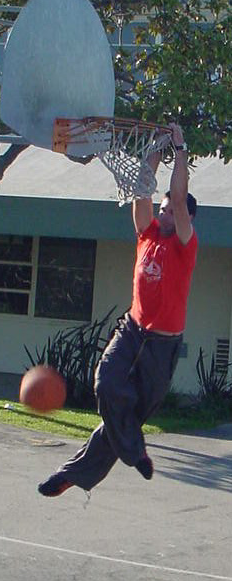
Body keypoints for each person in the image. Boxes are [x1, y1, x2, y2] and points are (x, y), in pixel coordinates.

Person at [38, 123, 198, 497]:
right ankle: (134, 451)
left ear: (186, 218)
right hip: (132, 330)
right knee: (106, 383)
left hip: (162, 346)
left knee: (126, 419)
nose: (164, 214)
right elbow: (144, 193)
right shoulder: (147, 234)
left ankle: (73, 475)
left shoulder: (185, 246)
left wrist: (180, 150)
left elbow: (177, 196)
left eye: (171, 212)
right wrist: (155, 152)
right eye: (162, 211)